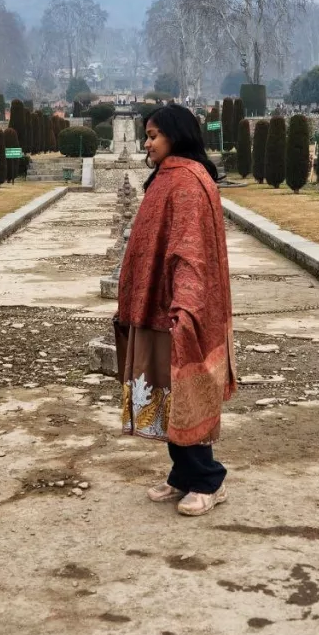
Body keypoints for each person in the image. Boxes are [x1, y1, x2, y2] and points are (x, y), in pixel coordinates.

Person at [115, 103, 237, 517]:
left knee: (187, 391)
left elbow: (190, 251)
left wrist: (185, 306)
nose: (147, 144)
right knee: (169, 392)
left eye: (153, 136)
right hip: (158, 304)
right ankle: (182, 475)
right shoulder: (167, 177)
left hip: (178, 307)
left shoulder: (186, 181)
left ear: (176, 136)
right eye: (146, 136)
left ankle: (208, 479)